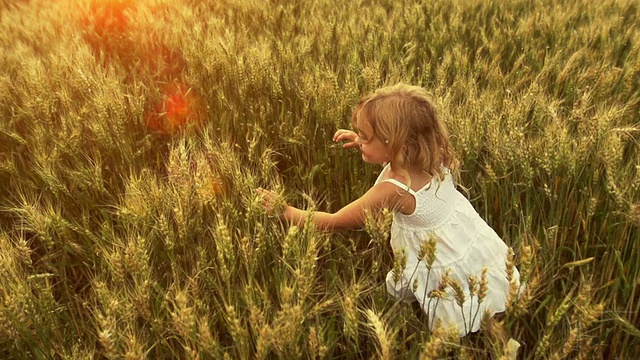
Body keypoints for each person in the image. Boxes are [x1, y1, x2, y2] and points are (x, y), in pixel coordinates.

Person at [257, 83, 519, 336]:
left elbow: (334, 221)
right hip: (464, 237)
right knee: (478, 296)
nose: (359, 139)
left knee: (456, 301)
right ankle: (500, 340)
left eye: (365, 136)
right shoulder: (431, 154)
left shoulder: (393, 190)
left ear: (397, 147)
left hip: (437, 256)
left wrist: (287, 211)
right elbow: (397, 157)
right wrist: (364, 141)